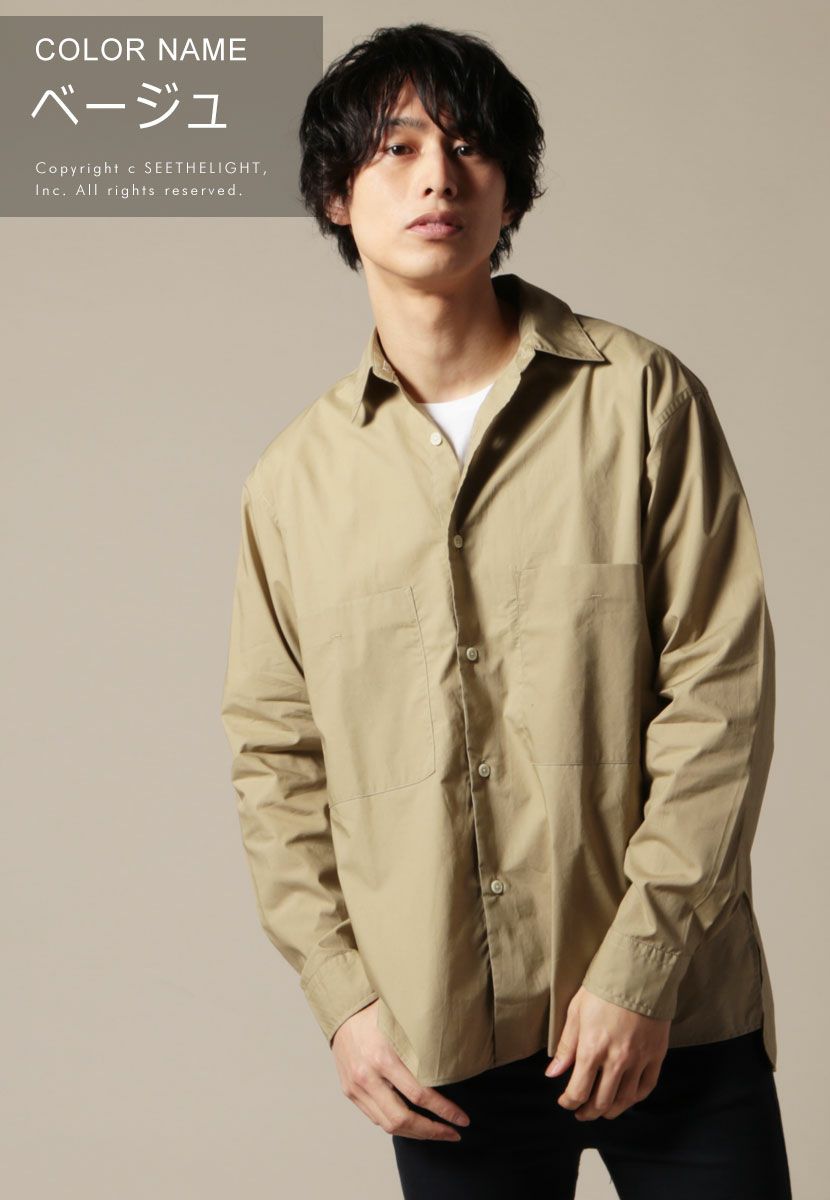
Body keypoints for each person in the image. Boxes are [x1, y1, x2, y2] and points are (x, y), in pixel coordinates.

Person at [220, 21, 793, 1200]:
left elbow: (721, 698)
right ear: (335, 195)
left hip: (674, 1016)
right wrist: (343, 1000)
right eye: (395, 148)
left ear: (512, 190)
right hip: (439, 1051)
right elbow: (275, 760)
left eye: (470, 145)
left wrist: (639, 969)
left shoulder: (641, 402)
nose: (437, 176)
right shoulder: (293, 485)